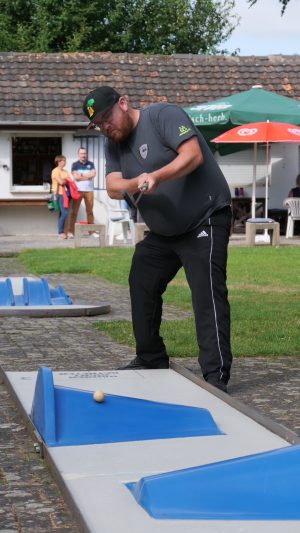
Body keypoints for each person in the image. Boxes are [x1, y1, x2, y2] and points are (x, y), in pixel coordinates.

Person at [82, 86, 232, 393]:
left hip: (206, 218)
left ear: (123, 103)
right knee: (142, 280)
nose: (105, 127)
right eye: (98, 124)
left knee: (206, 293)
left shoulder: (163, 115)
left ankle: (216, 377)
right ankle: (151, 357)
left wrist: (157, 176)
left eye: (106, 118)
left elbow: (192, 155)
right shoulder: (114, 143)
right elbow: (112, 186)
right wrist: (136, 181)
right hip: (164, 233)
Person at [67, 147, 97, 237]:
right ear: (78, 154)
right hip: (78, 191)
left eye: (84, 153)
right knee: (74, 212)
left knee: (90, 211)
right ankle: (70, 232)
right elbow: (76, 177)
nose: (83, 155)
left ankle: (91, 232)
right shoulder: (75, 164)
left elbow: (93, 174)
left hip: (89, 191)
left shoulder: (91, 164)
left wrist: (81, 175)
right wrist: (87, 176)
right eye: (81, 153)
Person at [51, 155, 72, 240]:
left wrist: (65, 181)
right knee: (64, 213)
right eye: (64, 160)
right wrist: (65, 180)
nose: (65, 162)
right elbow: (61, 182)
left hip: (66, 195)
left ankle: (63, 232)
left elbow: (70, 180)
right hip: (59, 194)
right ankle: (60, 232)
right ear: (59, 162)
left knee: (62, 213)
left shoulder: (65, 171)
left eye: (65, 160)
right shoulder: (55, 171)